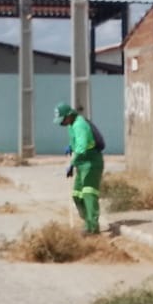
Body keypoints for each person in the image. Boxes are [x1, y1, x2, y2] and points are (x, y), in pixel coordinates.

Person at [55, 100, 104, 235]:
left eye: (62, 120)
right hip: (81, 163)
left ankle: (93, 228)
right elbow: (76, 142)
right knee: (77, 195)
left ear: (69, 115)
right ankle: (88, 222)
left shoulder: (79, 124)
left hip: (91, 161)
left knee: (89, 193)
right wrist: (71, 147)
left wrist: (72, 164)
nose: (61, 123)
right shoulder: (71, 125)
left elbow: (82, 147)